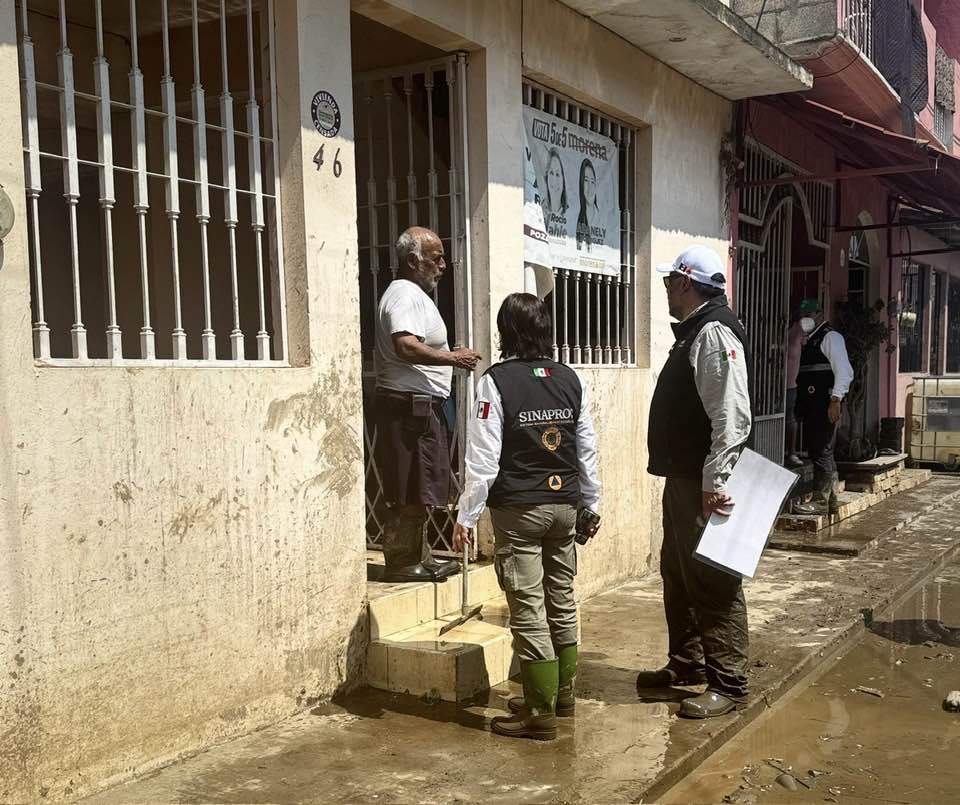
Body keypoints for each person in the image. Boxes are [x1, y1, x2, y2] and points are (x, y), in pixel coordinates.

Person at [452, 293, 601, 742]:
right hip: (566, 507)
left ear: (506, 332)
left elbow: (483, 457)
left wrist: (466, 515)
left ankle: (539, 712)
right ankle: (562, 695)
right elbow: (586, 448)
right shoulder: (571, 379)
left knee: (529, 606)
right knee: (562, 598)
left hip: (519, 510)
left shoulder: (496, 382)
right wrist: (591, 503)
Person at [637, 244, 753, 719]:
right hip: (685, 479)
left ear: (686, 283)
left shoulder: (713, 332)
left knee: (712, 579)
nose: (666, 289)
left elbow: (732, 414)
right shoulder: (694, 331)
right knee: (678, 572)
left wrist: (715, 481)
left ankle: (728, 682)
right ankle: (687, 664)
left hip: (705, 482)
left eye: (670, 281)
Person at [373, 226, 482, 583]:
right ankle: (403, 562)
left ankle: (419, 557)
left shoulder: (412, 295)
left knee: (420, 486)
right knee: (409, 487)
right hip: (408, 408)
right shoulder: (404, 295)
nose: (443, 265)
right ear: (412, 260)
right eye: (436, 258)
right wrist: (453, 358)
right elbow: (405, 345)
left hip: (419, 406)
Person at [792, 299, 854, 516]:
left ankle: (821, 501)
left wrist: (835, 400)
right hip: (813, 404)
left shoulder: (830, 337)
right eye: (802, 315)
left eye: (809, 315)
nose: (804, 319)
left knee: (821, 450)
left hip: (824, 403)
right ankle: (831, 499)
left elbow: (844, 371)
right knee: (820, 449)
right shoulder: (811, 339)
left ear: (819, 314)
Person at [784, 310, 806, 468]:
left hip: (791, 382)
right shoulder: (778, 327)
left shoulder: (800, 329)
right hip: (772, 382)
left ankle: (791, 452)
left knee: (790, 417)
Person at [575, 159, 598, 252]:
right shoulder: (576, 218)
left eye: (592, 182)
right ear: (581, 184)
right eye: (586, 180)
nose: (589, 187)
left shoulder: (604, 218)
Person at [543, 148, 568, 218]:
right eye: (551, 172)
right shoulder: (538, 210)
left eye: (557, 174)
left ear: (563, 180)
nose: (554, 180)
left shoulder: (571, 214)